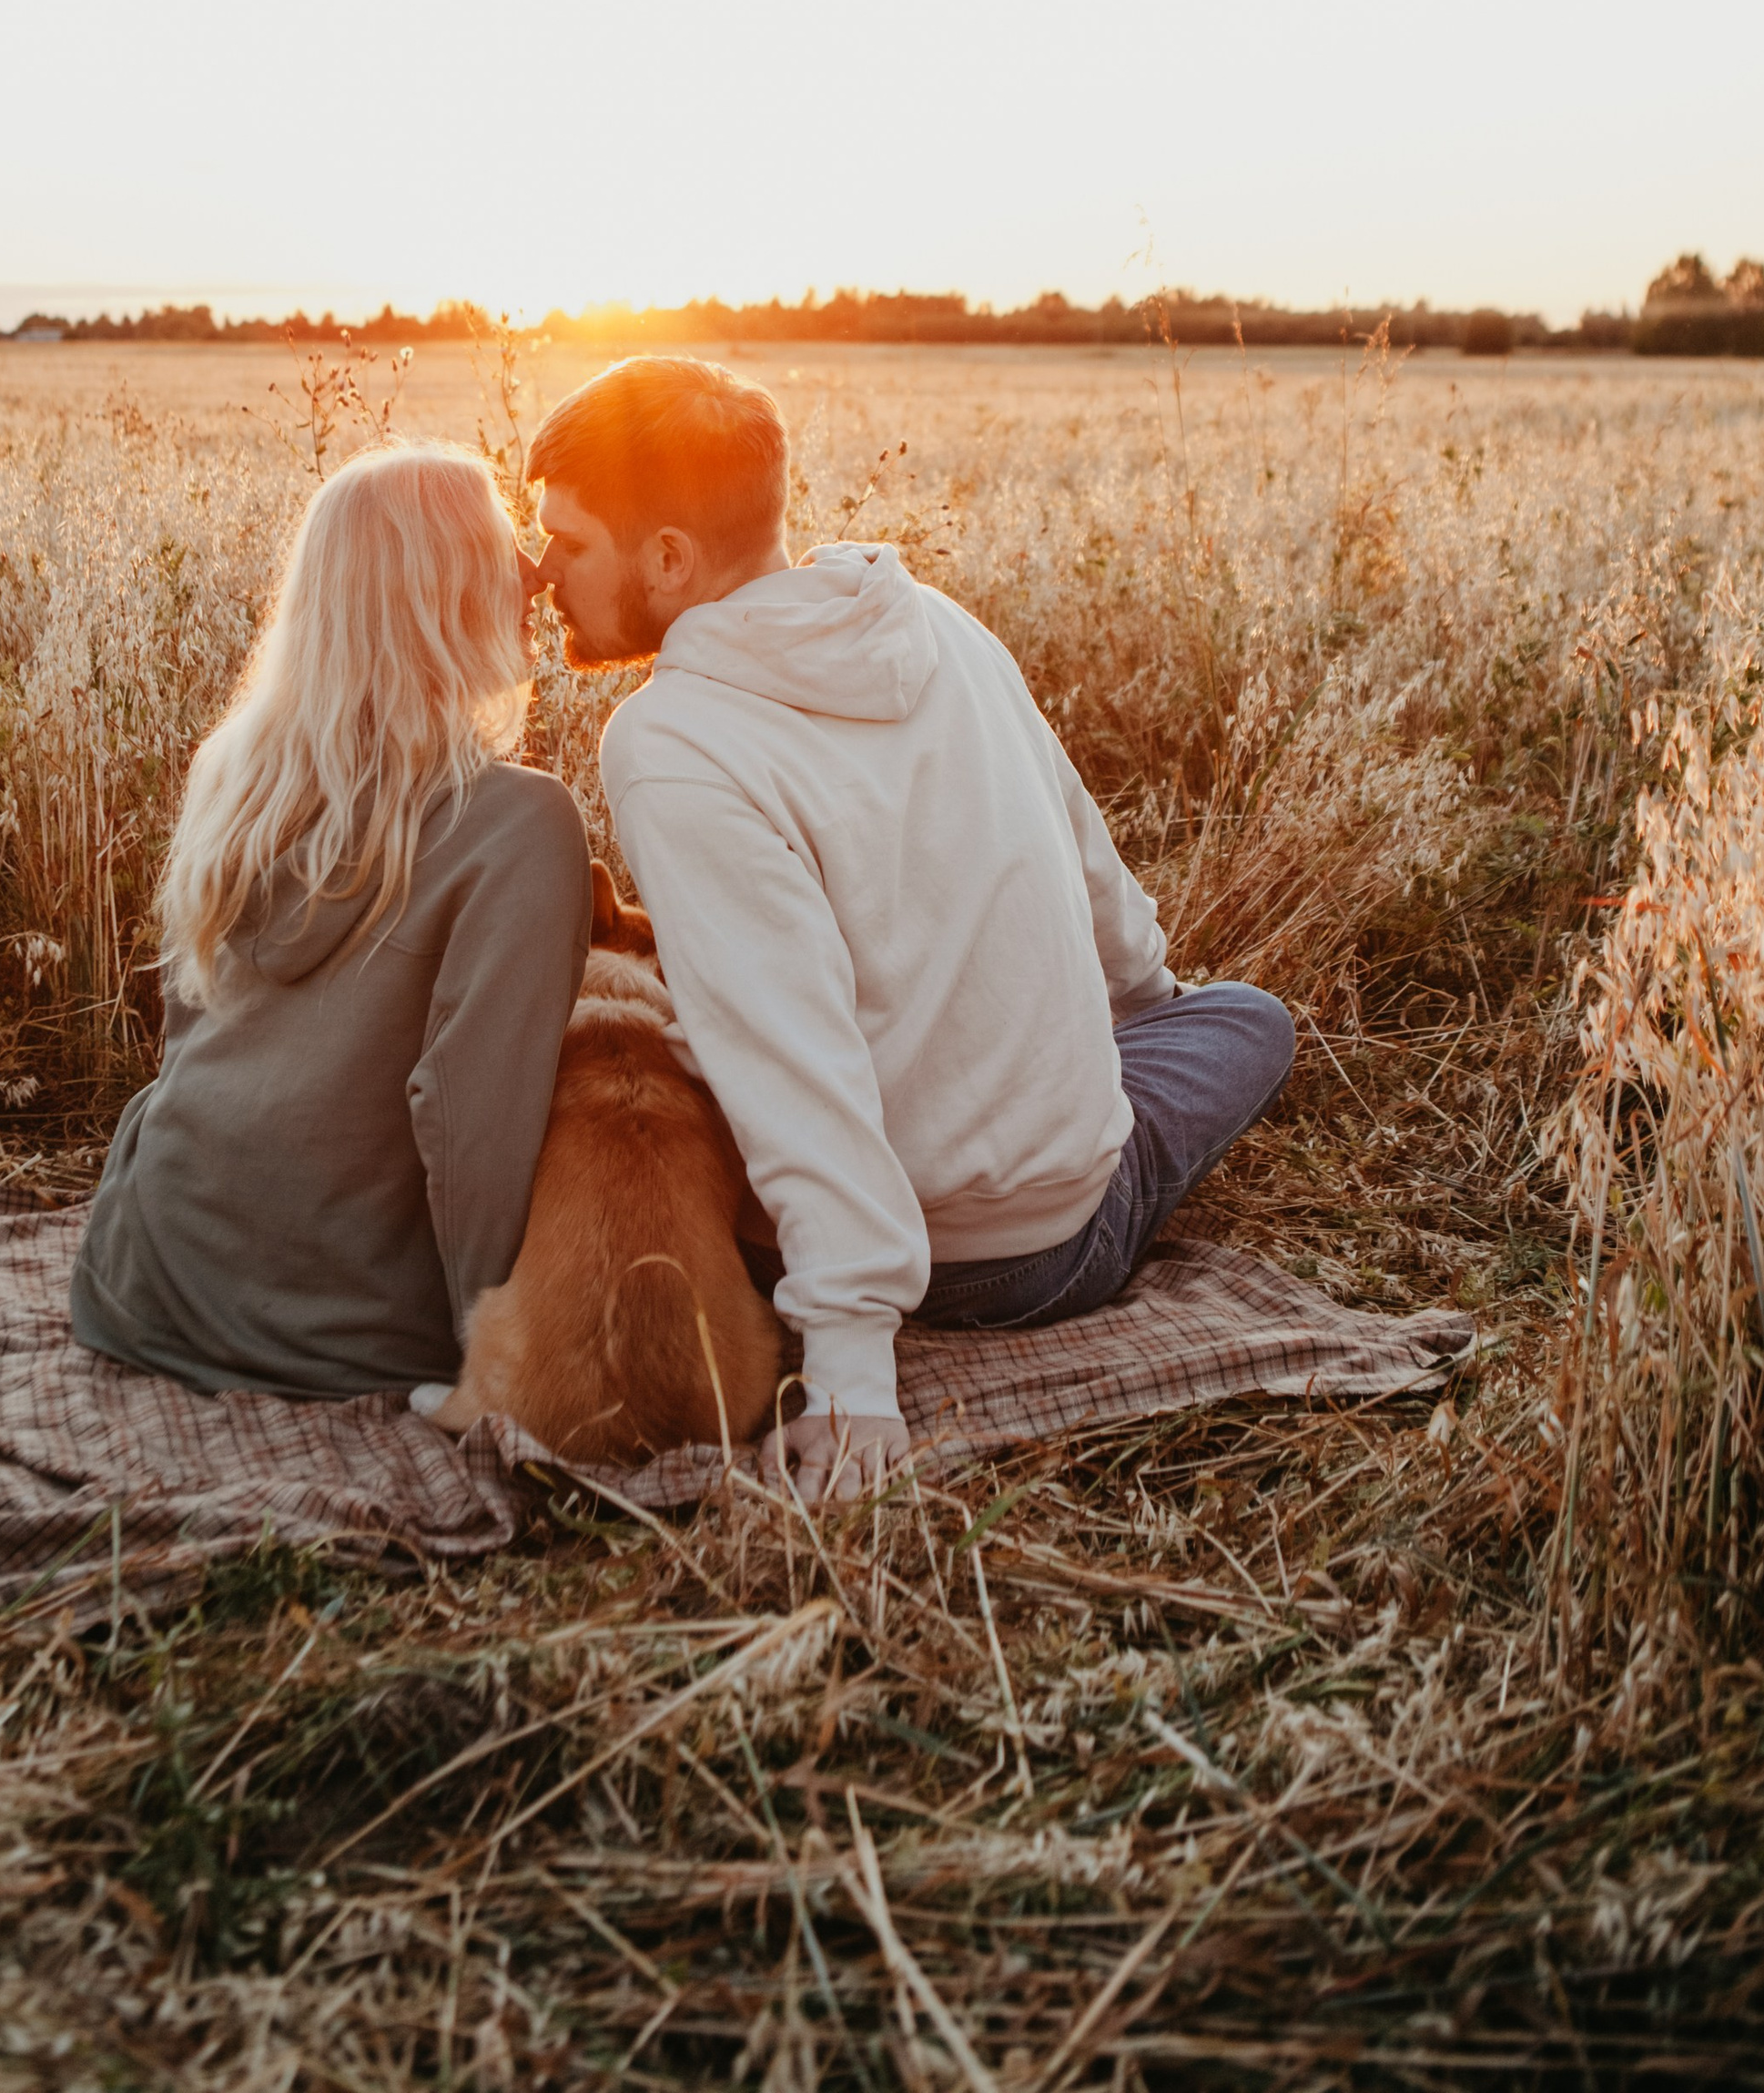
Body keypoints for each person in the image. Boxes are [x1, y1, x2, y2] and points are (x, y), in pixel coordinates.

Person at [528, 357, 1294, 1500]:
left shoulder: (671, 739)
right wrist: (1139, 1011)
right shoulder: (935, 622)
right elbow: (1083, 851)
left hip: (960, 1266)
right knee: (1243, 1020)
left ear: (670, 558)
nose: (542, 572)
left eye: (568, 543)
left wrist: (848, 1375)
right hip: (1052, 1228)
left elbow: (786, 1049)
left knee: (1228, 1018)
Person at [72, 444, 592, 1397]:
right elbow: (475, 1125)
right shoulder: (522, 826)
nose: (534, 572)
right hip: (347, 1336)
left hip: (141, 1282)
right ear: (437, 597)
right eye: (500, 547)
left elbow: (183, 1042)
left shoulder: (234, 774)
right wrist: (502, 1363)